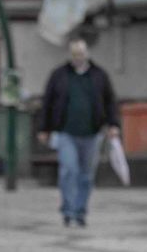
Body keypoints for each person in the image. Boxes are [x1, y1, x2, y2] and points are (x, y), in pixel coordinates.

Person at [39, 38, 120, 227]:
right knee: (69, 170)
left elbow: (110, 101)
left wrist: (113, 125)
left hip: (92, 133)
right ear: (70, 55)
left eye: (81, 53)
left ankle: (80, 211)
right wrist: (44, 128)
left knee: (86, 175)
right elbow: (48, 102)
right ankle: (68, 210)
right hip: (66, 132)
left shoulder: (99, 75)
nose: (78, 57)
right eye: (74, 54)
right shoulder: (59, 75)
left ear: (87, 54)